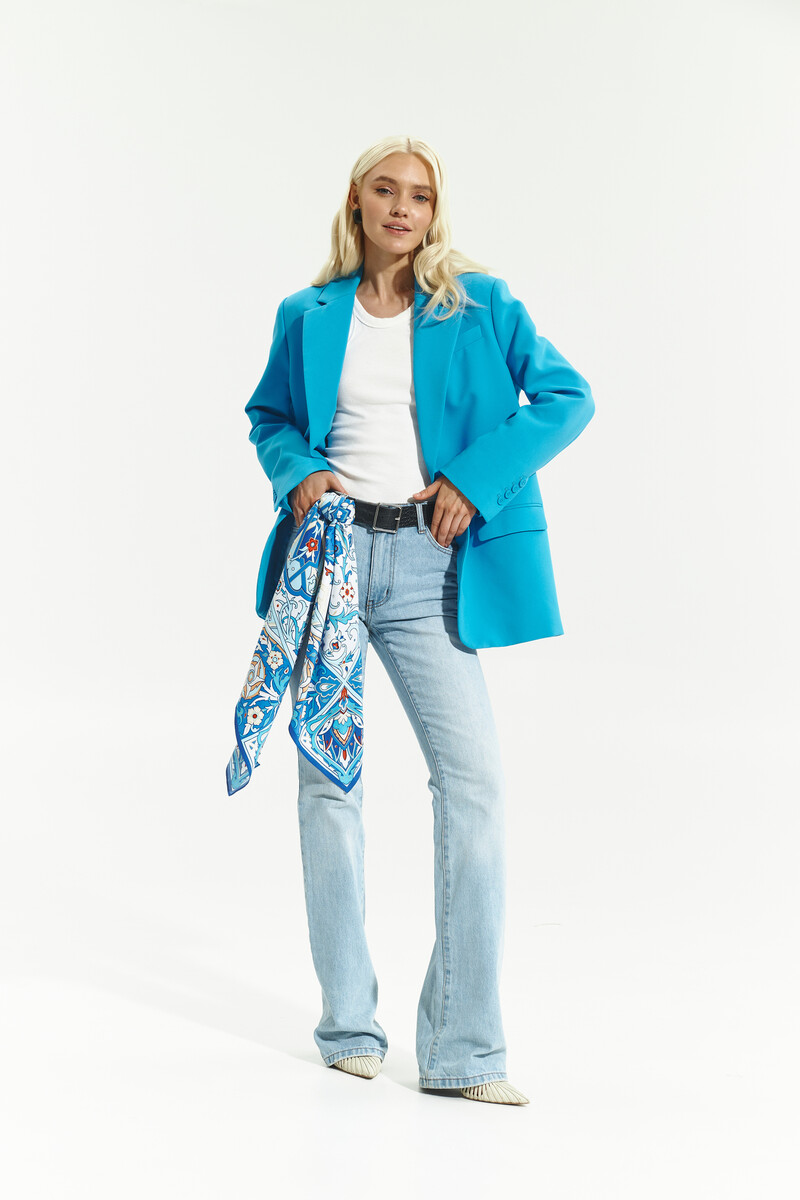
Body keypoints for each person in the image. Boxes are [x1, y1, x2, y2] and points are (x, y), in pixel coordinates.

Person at [243, 135, 595, 1105]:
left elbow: (566, 398)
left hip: (430, 563)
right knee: (329, 787)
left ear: (435, 212)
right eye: (386, 190)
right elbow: (270, 417)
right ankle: (347, 1025)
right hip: (328, 564)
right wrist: (297, 470)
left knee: (472, 786)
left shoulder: (477, 304)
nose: (403, 208)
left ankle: (463, 1050)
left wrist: (473, 481)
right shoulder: (307, 313)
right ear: (355, 203)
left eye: (421, 195)